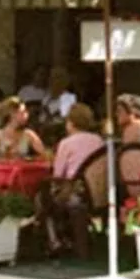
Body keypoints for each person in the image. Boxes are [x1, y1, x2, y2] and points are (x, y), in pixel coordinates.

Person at [42, 103, 106, 255]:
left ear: (70, 123)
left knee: (42, 198)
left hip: (74, 192)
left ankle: (54, 240)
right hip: (97, 192)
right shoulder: (98, 140)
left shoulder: (66, 143)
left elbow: (58, 174)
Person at [0, 97, 46, 162]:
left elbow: (44, 155)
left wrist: (28, 160)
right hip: (2, 171)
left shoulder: (28, 134)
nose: (27, 115)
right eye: (23, 112)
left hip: (22, 171)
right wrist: (4, 162)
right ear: (12, 114)